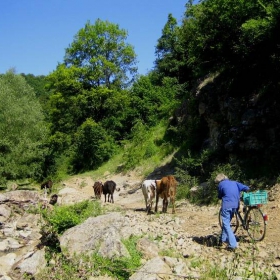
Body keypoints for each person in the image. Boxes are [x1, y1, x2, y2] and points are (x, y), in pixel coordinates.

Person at [215, 173, 250, 251]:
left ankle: (233, 244)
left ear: (219, 180)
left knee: (226, 224)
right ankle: (222, 239)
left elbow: (220, 196)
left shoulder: (221, 185)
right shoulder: (235, 182)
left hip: (227, 205)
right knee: (226, 222)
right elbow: (246, 188)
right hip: (236, 205)